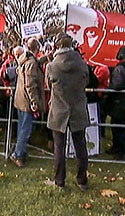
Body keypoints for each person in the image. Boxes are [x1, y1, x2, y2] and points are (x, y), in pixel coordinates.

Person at [45, 34, 90, 189]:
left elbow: (48, 85)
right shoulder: (83, 64)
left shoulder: (51, 66)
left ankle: (59, 181)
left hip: (59, 110)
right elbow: (87, 82)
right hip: (78, 108)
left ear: (57, 46)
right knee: (81, 146)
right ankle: (82, 180)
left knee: (59, 148)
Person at [11, 38, 46, 167]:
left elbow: (35, 62)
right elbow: (30, 84)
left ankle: (22, 152)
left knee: (22, 128)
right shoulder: (31, 63)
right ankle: (18, 154)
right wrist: (34, 101)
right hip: (26, 101)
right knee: (26, 129)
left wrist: (45, 58)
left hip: (20, 100)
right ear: (37, 49)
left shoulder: (25, 60)